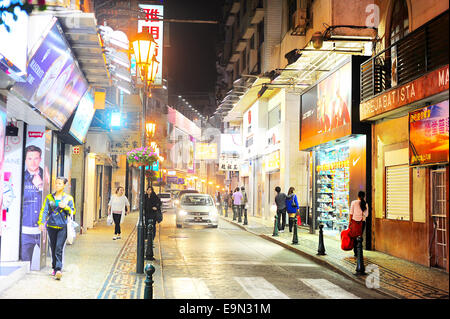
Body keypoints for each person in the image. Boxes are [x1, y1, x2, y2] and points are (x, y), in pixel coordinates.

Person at [37, 177, 75, 280]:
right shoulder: (49, 197)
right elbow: (44, 210)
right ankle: (54, 267)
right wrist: (41, 222)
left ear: (64, 185)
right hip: (51, 226)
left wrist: (65, 207)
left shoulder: (68, 198)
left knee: (59, 248)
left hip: (63, 227)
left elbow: (72, 211)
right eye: (56, 183)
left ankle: (58, 269)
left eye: (60, 184)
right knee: (53, 248)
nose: (57, 185)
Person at [21, 145, 44, 264]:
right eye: (29, 159)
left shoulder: (47, 177)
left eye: (36, 158)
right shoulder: (20, 178)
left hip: (43, 230)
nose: (33, 162)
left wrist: (41, 187)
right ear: (25, 160)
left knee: (49, 263)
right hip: (25, 231)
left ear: (40, 159)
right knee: (25, 265)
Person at [348, 191, 369, 256]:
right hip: (362, 223)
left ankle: (355, 252)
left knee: (354, 237)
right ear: (364, 196)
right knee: (359, 237)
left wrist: (349, 222)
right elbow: (366, 215)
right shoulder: (365, 204)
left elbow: (351, 213)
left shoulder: (354, 202)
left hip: (354, 222)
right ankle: (360, 251)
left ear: (358, 196)